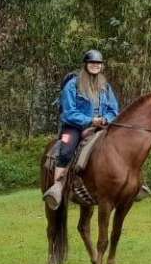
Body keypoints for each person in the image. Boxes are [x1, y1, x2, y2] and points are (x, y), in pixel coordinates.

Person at [42, 50, 120, 208]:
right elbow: (69, 112)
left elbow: (113, 109)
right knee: (66, 149)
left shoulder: (105, 86)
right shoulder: (72, 85)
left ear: (101, 66)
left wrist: (106, 119)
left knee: (121, 145)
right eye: (92, 63)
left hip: (101, 126)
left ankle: (132, 183)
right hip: (73, 127)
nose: (95, 66)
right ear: (85, 64)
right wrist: (90, 120)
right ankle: (57, 187)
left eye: (98, 63)